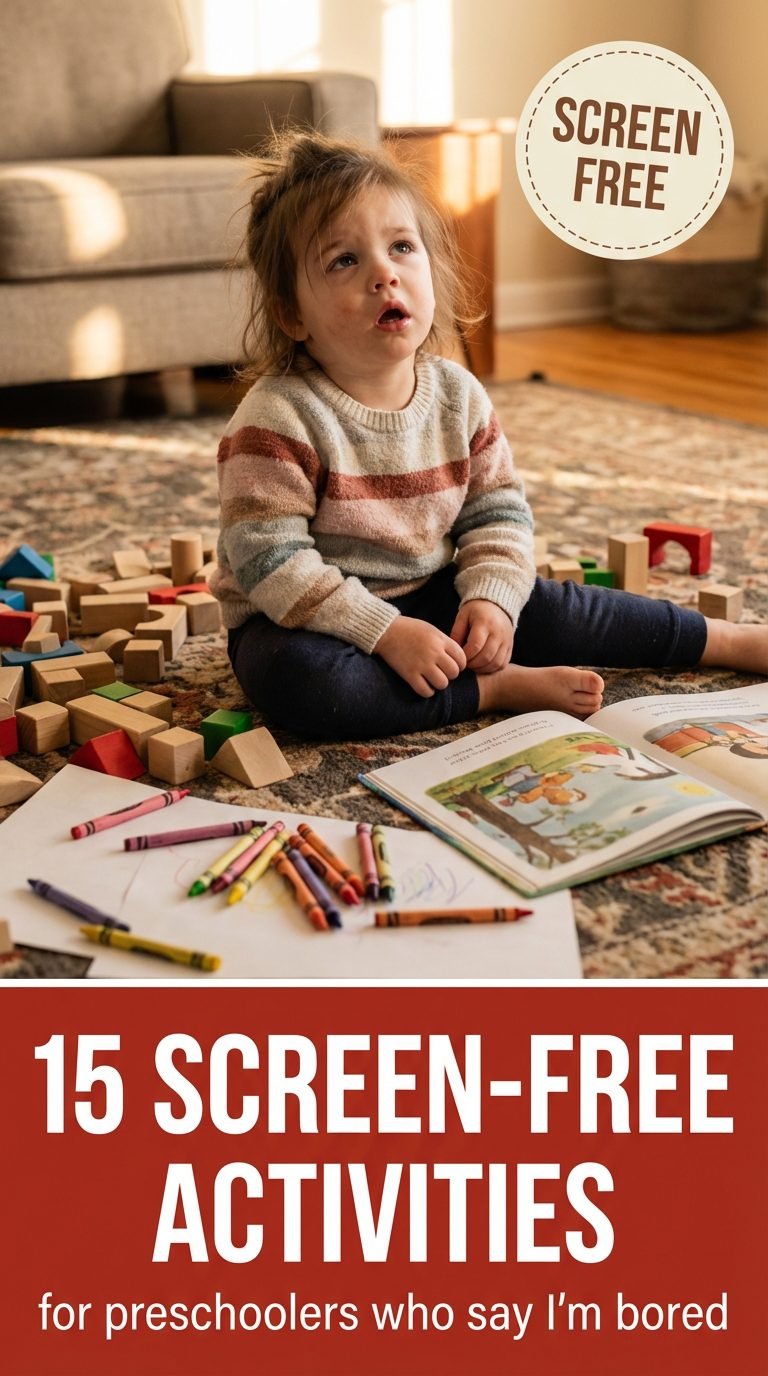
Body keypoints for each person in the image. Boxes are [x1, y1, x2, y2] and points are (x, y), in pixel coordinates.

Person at [211, 130, 768, 742]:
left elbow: (498, 514)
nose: (384, 274)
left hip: (428, 592)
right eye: (344, 260)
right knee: (305, 685)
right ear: (292, 314)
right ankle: (493, 689)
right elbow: (273, 564)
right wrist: (384, 631)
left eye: (402, 247)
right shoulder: (276, 418)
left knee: (558, 607)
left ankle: (724, 640)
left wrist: (491, 600)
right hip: (299, 618)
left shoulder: (458, 394)